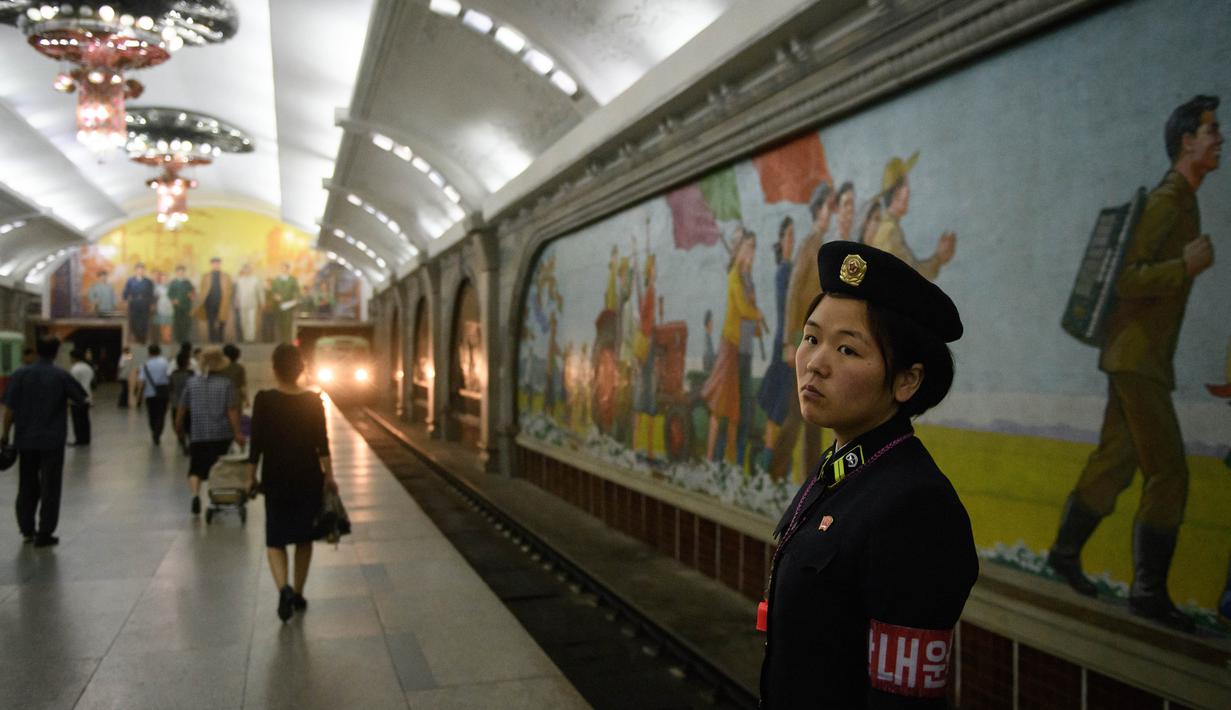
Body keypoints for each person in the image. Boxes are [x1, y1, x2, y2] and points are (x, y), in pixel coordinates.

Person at [759, 242, 977, 707]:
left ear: (906, 381)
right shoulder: (842, 468)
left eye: (847, 349)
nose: (815, 362)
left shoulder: (916, 507)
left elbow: (902, 700)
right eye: (811, 338)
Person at [1047, 95, 1221, 634]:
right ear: (1185, 141)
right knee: (1168, 470)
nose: (1220, 139)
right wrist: (1183, 266)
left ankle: (1064, 552)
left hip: (1134, 356)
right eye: (1211, 130)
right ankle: (1147, 591)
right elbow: (1128, 278)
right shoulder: (1169, 200)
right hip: (1137, 357)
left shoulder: (1184, 200)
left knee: (1116, 461)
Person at [247, 344, 336, 622]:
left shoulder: (263, 400)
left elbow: (256, 442)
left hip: (275, 478)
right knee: (303, 538)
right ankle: (298, 593)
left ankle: (283, 588)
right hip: (308, 476)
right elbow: (322, 445)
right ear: (300, 369)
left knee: (276, 538)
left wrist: (251, 474)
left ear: (274, 369)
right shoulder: (313, 401)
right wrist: (330, 478)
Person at [768, 185, 834, 481]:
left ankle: (808, 479)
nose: (829, 213)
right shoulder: (811, 245)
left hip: (815, 345)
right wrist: (787, 341)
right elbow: (794, 293)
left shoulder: (823, 244)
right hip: (801, 343)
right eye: (827, 208)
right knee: (798, 415)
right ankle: (775, 472)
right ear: (818, 210)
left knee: (811, 418)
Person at [1, 337, 89, 547]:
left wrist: (5, 435)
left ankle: (27, 529)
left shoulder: (20, 374)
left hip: (25, 440)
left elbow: (9, 410)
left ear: (37, 351)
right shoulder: (61, 375)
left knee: (27, 483)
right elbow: (82, 399)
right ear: (56, 352)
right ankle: (45, 532)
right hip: (52, 441)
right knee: (51, 486)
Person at [700, 228, 763, 464]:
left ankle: (731, 459)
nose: (752, 252)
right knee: (722, 405)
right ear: (738, 250)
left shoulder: (748, 279)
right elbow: (742, 309)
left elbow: (751, 320)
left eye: (754, 247)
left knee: (737, 409)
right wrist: (755, 313)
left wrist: (756, 324)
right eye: (748, 247)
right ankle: (711, 458)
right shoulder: (735, 276)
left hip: (744, 349)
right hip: (731, 347)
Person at [176, 349, 245, 515]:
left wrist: (178, 428)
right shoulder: (226, 384)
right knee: (218, 469)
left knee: (195, 469)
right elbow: (231, 411)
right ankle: (216, 499)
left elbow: (181, 409)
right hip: (221, 435)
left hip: (198, 434)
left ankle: (195, 495)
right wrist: (237, 433)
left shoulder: (191, 383)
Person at [867, 153, 957, 280]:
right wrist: (938, 258)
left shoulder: (890, 227)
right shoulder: (889, 231)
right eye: (906, 185)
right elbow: (911, 277)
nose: (909, 191)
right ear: (896, 192)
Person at [756, 217, 797, 476]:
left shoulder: (791, 269)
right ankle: (766, 465)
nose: (792, 239)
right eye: (789, 235)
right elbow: (785, 312)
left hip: (788, 344)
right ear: (781, 241)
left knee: (782, 409)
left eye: (794, 235)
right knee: (777, 409)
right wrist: (788, 345)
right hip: (784, 347)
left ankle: (772, 463)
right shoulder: (784, 271)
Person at [194, 257, 233, 344]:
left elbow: (230, 289)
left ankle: (220, 338)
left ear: (220, 264)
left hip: (222, 302)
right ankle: (212, 340)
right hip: (209, 302)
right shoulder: (206, 276)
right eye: (214, 263)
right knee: (211, 322)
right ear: (211, 264)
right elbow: (202, 288)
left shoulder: (226, 276)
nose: (216, 265)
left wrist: (227, 298)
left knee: (222, 321)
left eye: (217, 263)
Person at [138, 344, 171, 445]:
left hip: (150, 394)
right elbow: (170, 377)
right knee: (161, 414)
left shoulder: (145, 365)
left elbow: (142, 381)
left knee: (152, 415)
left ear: (149, 352)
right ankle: (158, 432)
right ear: (159, 351)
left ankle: (154, 430)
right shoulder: (165, 363)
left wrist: (139, 396)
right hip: (163, 393)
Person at [122, 262, 156, 344]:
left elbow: (151, 293)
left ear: (144, 271)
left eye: (142, 269)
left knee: (144, 322)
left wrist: (152, 304)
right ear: (135, 271)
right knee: (134, 322)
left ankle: (143, 339)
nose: (140, 271)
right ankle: (137, 338)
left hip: (145, 304)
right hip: (134, 304)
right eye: (138, 269)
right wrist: (125, 299)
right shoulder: (130, 281)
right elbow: (126, 292)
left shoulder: (148, 281)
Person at [169, 350, 194, 454]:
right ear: (187, 362)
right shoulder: (191, 374)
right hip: (190, 404)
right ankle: (190, 443)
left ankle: (182, 442)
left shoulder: (173, 375)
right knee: (190, 426)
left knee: (178, 424)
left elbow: (170, 389)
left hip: (176, 404)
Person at [68, 349, 94, 446]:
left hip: (77, 398)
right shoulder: (88, 367)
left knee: (77, 421)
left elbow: (72, 384)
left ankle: (79, 440)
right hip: (87, 396)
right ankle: (86, 439)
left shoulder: (75, 369)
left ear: (74, 358)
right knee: (85, 420)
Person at [234, 263, 264, 343]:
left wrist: (262, 301)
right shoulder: (239, 280)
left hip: (253, 303)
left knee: (252, 321)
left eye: (248, 269)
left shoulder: (256, 280)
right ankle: (245, 337)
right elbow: (238, 292)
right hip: (242, 303)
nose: (246, 271)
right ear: (243, 270)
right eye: (245, 269)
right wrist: (237, 301)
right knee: (244, 321)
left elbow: (260, 292)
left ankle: (251, 338)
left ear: (251, 270)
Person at [270, 263, 299, 343]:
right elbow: (273, 291)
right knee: (280, 323)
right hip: (279, 305)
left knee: (288, 323)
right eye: (282, 268)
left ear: (288, 269)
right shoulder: (276, 280)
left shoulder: (292, 280)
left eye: (285, 268)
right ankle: (281, 341)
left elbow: (296, 290)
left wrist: (295, 299)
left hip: (289, 305)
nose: (284, 270)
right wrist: (275, 296)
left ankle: (288, 341)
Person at [167, 265, 196, 344]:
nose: (181, 273)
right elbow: (169, 293)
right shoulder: (173, 282)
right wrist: (173, 300)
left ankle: (185, 338)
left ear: (184, 272)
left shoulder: (187, 282)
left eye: (182, 272)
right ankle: (178, 339)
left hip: (186, 306)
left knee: (186, 322)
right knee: (177, 322)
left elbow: (193, 292)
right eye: (179, 272)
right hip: (177, 306)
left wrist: (192, 295)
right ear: (176, 273)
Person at [220, 343, 249, 410]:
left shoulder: (220, 368)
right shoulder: (239, 368)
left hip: (223, 395)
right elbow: (243, 385)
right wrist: (246, 399)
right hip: (236, 396)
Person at [152, 269, 173, 345]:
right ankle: (163, 338)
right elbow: (154, 295)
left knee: (169, 323)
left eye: (165, 277)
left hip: (169, 305)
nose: (164, 279)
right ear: (160, 279)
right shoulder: (157, 287)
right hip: (160, 305)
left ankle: (167, 338)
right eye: (162, 278)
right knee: (162, 323)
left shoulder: (170, 286)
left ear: (167, 278)